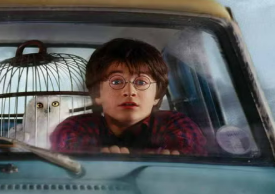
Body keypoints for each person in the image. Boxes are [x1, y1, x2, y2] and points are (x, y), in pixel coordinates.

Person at [50, 38, 207, 156]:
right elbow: (69, 158)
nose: (130, 91)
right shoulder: (76, 127)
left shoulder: (175, 124)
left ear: (156, 95)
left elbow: (194, 161)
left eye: (141, 82)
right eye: (116, 82)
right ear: (97, 94)